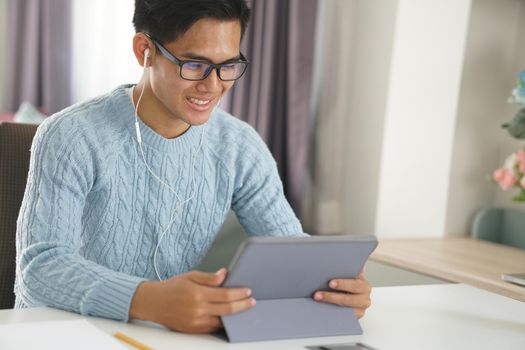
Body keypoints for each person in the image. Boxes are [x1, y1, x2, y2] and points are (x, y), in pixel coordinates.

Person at [15, 0, 372, 334]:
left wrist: (330, 288)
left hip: (163, 336)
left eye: (228, 66)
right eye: (195, 65)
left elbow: (290, 251)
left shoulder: (239, 146)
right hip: (61, 332)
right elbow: (41, 269)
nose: (213, 86)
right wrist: (147, 300)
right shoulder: (71, 135)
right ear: (145, 50)